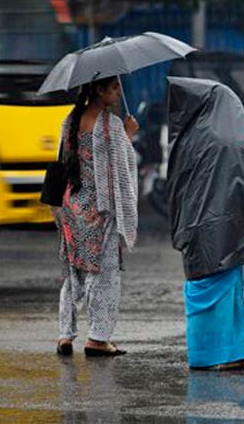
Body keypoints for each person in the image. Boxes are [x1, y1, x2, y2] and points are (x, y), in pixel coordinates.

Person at [167, 77, 244, 371]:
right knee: (226, 293)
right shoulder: (231, 139)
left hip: (195, 228)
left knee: (206, 289)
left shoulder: (186, 139)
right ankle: (230, 354)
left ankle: (211, 354)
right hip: (226, 229)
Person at [54, 76, 139, 357]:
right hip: (99, 211)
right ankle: (98, 338)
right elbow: (121, 166)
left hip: (71, 207)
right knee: (103, 273)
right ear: (99, 90)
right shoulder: (111, 125)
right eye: (113, 87)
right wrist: (128, 135)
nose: (117, 92)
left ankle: (66, 335)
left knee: (73, 270)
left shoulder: (70, 121)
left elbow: (62, 160)